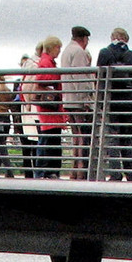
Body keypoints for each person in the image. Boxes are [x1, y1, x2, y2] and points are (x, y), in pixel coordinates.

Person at [95, 27, 132, 181]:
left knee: (112, 136)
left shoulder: (105, 53)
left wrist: (101, 101)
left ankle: (115, 173)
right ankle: (131, 173)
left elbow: (99, 77)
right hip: (129, 102)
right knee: (127, 137)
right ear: (126, 39)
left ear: (113, 37)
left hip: (111, 101)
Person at [59, 25, 92, 177]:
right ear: (84, 38)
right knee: (82, 138)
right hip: (78, 101)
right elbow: (80, 77)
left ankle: (74, 171)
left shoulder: (66, 51)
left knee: (75, 137)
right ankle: (81, 171)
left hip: (68, 100)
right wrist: (86, 99)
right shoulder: (79, 52)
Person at [31, 36, 66, 178]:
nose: (59, 51)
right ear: (52, 47)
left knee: (50, 140)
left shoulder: (47, 61)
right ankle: (47, 171)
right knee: (49, 140)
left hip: (51, 109)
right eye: (58, 48)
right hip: (50, 109)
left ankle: (48, 171)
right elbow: (41, 78)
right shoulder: (46, 62)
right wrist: (57, 76)